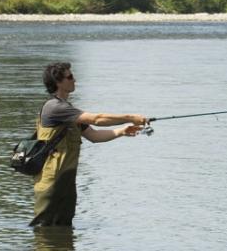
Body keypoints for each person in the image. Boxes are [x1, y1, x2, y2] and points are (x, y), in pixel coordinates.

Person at [30, 62, 147, 227]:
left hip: (66, 183)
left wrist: (122, 131)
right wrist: (130, 116)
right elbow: (97, 119)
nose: (74, 79)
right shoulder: (55, 108)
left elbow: (94, 135)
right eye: (70, 77)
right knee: (45, 233)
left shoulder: (68, 112)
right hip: (51, 184)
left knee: (63, 233)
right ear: (58, 82)